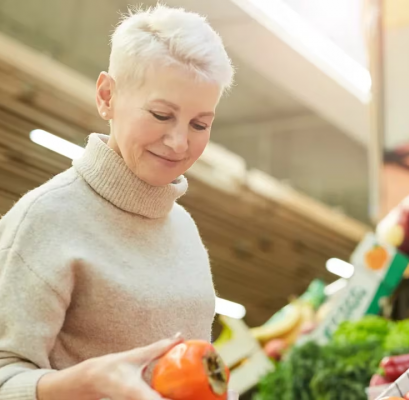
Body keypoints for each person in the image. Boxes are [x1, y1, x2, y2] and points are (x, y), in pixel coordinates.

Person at [0, 4, 234, 400]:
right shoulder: (45, 219)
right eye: (161, 114)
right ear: (107, 96)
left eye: (200, 124)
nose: (180, 142)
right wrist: (83, 384)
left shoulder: (186, 231)